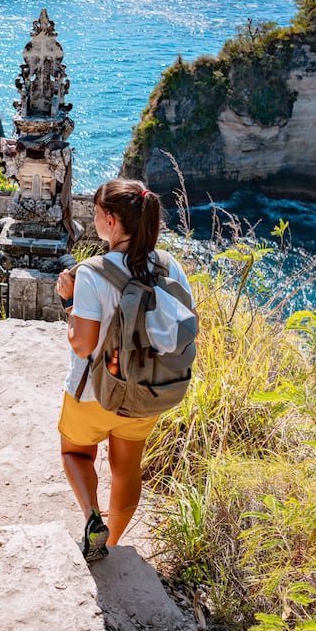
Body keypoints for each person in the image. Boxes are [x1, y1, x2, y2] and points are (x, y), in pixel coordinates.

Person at [54, 178, 195, 563]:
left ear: (112, 222)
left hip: (94, 392)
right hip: (149, 389)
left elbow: (83, 344)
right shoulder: (169, 265)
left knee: (75, 453)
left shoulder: (91, 273)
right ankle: (113, 545)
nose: (94, 219)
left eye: (97, 213)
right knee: (127, 468)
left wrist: (68, 303)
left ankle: (92, 520)